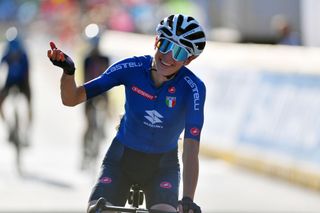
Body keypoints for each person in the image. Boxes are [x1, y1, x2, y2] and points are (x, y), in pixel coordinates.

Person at [47, 14, 206, 213]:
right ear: (156, 41)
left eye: (179, 53)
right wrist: (68, 72)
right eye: (165, 45)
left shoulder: (193, 88)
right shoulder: (131, 68)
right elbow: (71, 99)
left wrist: (188, 199)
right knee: (97, 210)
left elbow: (191, 148)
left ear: (189, 59)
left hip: (163, 167)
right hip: (121, 160)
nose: (168, 56)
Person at [81, 32, 111, 171]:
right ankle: (84, 152)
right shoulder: (86, 59)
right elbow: (85, 78)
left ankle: (102, 130)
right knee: (88, 124)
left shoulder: (105, 58)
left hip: (103, 91)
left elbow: (110, 78)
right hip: (89, 92)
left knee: (104, 117)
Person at [0, 28, 32, 145]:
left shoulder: (23, 55)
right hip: (10, 82)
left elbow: (28, 71)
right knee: (0, 101)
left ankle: (27, 130)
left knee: (29, 104)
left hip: (23, 82)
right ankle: (9, 127)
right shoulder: (7, 53)